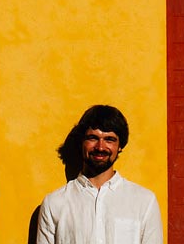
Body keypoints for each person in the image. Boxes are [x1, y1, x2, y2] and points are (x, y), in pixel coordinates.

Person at [35, 104, 163, 244]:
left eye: (109, 139)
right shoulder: (54, 204)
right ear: (82, 143)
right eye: (93, 138)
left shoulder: (144, 202)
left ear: (120, 146)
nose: (100, 147)